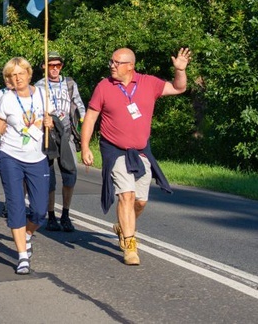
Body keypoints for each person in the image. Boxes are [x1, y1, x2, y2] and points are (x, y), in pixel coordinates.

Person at [81, 47, 190, 265]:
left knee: (140, 201)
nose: (112, 65)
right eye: (111, 61)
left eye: (116, 62)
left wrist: (179, 70)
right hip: (115, 150)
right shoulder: (104, 86)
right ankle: (130, 244)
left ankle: (123, 225)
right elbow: (91, 118)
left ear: (130, 66)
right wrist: (85, 147)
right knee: (127, 195)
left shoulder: (148, 83)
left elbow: (179, 88)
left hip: (141, 151)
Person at [0, 58, 53, 275]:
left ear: (29, 74)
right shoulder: (7, 99)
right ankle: (22, 256)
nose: (17, 78)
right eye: (12, 75)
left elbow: (50, 119)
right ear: (8, 79)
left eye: (21, 73)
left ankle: (28, 234)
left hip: (37, 157)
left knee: (40, 210)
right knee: (16, 205)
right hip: (11, 156)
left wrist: (49, 122)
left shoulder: (42, 94)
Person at [35, 51, 86, 232]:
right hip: (48, 135)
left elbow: (80, 107)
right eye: (51, 65)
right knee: (49, 177)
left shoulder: (70, 84)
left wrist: (84, 128)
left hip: (67, 135)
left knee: (70, 174)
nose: (55, 69)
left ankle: (65, 213)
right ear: (44, 67)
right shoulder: (39, 86)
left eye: (58, 65)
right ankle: (50, 215)